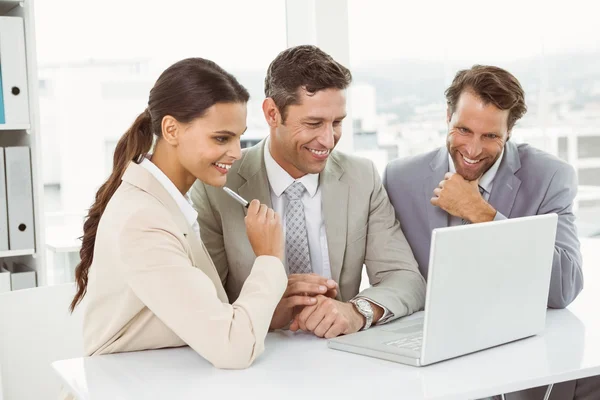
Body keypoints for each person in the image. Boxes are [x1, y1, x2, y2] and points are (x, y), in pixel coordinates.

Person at [384, 65, 596, 400]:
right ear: (447, 116)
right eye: (463, 130)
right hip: (433, 358)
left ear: (509, 132)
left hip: (520, 354)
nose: (472, 149)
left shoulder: (551, 177)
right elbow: (392, 273)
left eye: (490, 136)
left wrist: (482, 214)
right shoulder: (400, 178)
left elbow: (564, 287)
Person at [191, 45, 425, 339]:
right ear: (272, 113)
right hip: (252, 359)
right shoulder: (218, 186)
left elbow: (406, 279)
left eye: (337, 122)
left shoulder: (361, 177)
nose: (328, 140)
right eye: (314, 123)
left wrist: (356, 313)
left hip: (340, 357)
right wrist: (264, 311)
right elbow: (202, 302)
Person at [70, 58, 287, 369]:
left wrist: (272, 306)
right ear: (171, 130)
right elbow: (233, 348)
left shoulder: (166, 204)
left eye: (239, 137)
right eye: (221, 138)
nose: (237, 152)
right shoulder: (143, 220)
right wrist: (268, 258)